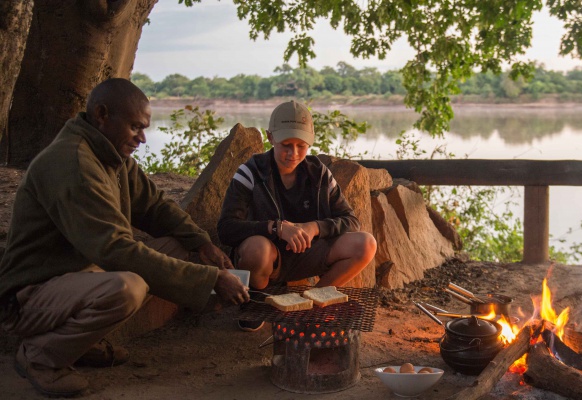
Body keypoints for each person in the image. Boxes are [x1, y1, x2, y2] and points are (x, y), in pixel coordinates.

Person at [0, 78, 249, 397]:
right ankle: (40, 357)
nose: (142, 138)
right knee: (128, 288)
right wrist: (210, 279)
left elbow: (155, 207)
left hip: (75, 277)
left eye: (144, 128)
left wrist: (202, 244)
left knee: (176, 246)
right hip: (29, 297)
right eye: (135, 127)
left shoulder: (110, 156)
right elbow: (116, 251)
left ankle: (77, 342)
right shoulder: (74, 165)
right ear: (102, 114)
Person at [217, 100, 377, 331]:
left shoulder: (319, 173)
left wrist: (314, 227)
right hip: (269, 258)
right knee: (256, 250)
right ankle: (260, 299)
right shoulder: (251, 172)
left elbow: (350, 220)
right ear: (270, 137)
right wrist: (276, 227)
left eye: (301, 145)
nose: (293, 153)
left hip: (309, 253)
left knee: (366, 243)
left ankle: (314, 299)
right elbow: (226, 228)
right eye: (286, 145)